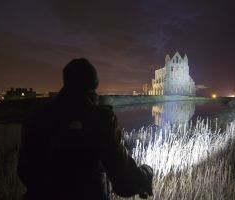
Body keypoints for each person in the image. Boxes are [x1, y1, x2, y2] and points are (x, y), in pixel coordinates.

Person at [18, 58, 153, 200]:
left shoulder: (36, 115)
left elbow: (24, 172)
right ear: (94, 84)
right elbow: (125, 184)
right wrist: (146, 173)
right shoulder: (100, 118)